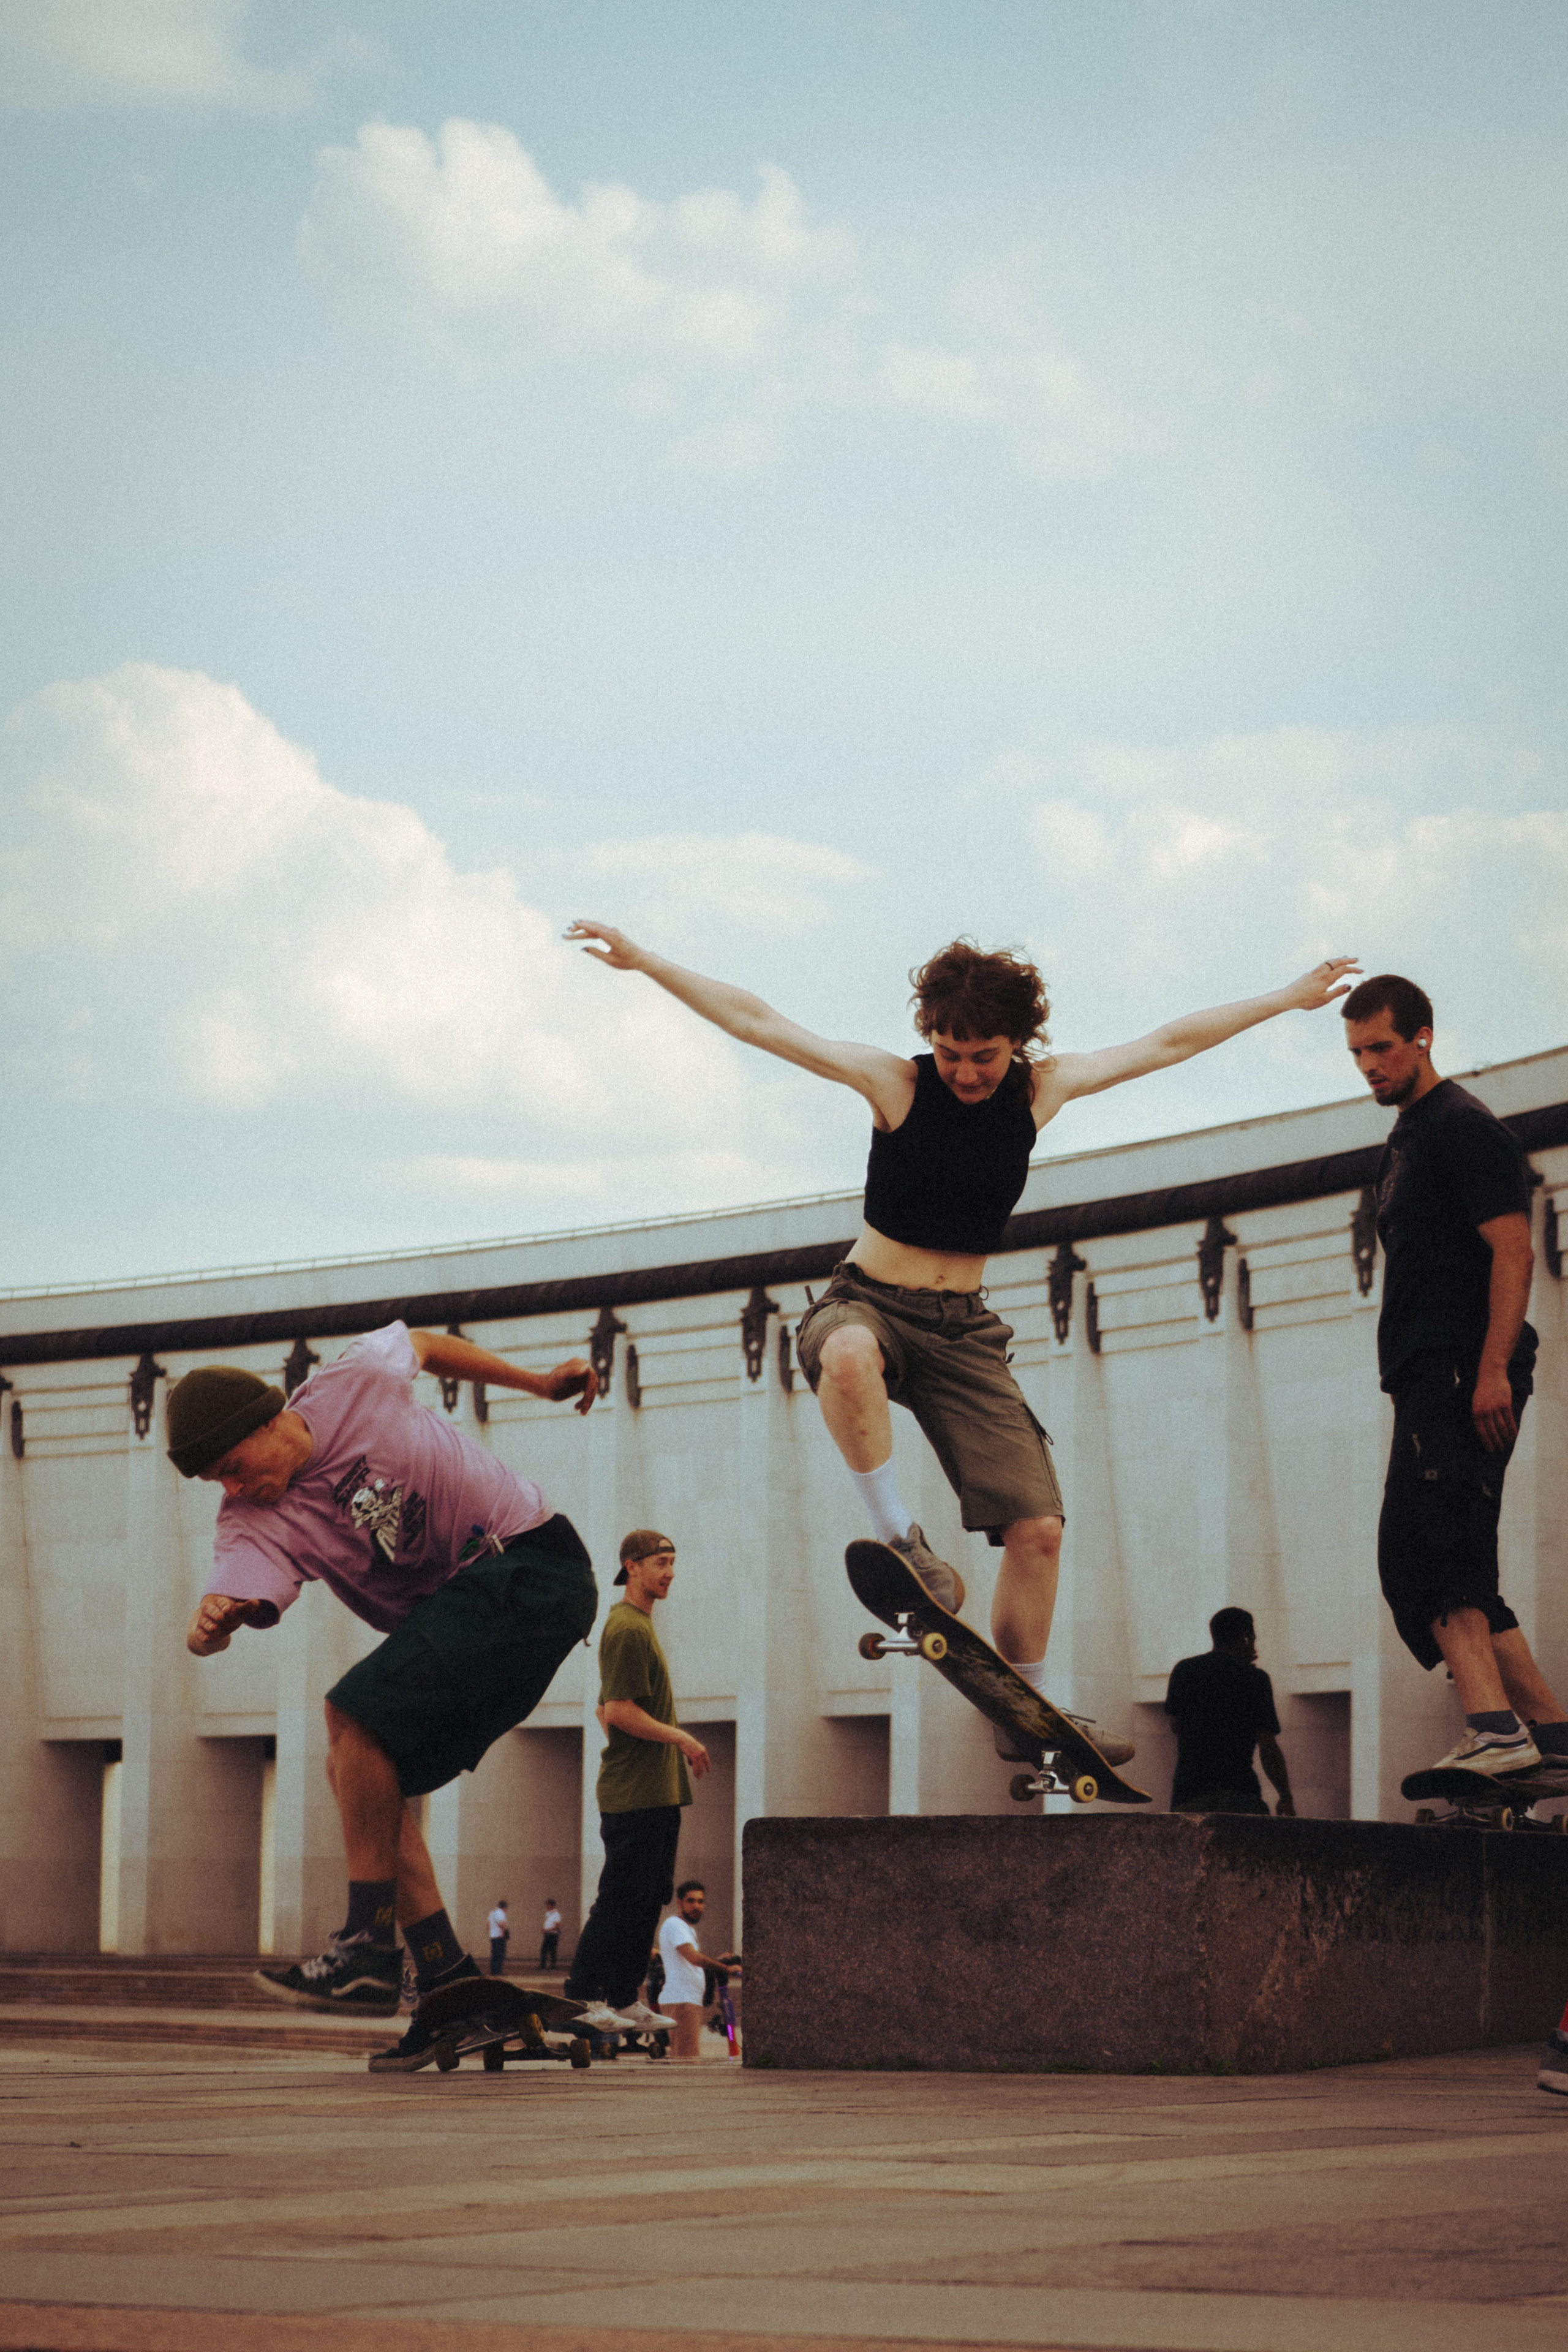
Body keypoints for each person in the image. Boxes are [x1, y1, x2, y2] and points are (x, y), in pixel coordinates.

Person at [568, 918, 1359, 1756]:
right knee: (844, 1353)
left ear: (1017, 1044)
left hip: (965, 1334)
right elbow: (761, 1024)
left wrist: (1291, 997)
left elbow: (1167, 1042)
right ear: (931, 1039)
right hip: (867, 1302)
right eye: (951, 1053)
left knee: (1040, 1528)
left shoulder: (1039, 1090)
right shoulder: (895, 1085)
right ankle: (903, 1538)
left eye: (984, 1056)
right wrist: (648, 960)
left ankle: (1029, 1711)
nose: (967, 1072)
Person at [174, 1320, 598, 2068]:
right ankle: (449, 1978)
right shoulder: (249, 1522)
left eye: (237, 1466)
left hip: (530, 1564)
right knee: (358, 1773)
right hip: (479, 1622)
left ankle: (366, 1944)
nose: (236, 1489)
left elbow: (429, 1343)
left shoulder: (353, 1378)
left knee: (351, 1712)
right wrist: (215, 1625)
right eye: (219, 1482)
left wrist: (536, 1383)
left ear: (274, 1421)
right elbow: (217, 1618)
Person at [1343, 975, 1568, 1779]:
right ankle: (1549, 1733)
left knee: (1422, 1555)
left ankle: (1495, 1731)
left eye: (1382, 1048)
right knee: (1460, 1560)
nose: (1369, 1065)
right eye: (1358, 1052)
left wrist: (1492, 1370)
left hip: (1459, 1373)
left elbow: (1514, 1249)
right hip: (1429, 1375)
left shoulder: (1460, 1129)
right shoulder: (1409, 1135)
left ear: (1423, 1037)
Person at [564, 1531, 712, 2038]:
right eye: (661, 1562)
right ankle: (583, 1994)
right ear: (632, 1566)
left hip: (658, 1792)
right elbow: (622, 1711)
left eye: (674, 1562)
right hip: (635, 1796)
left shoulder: (640, 1626)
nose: (670, 1572)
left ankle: (625, 1997)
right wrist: (682, 1740)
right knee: (620, 1898)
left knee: (649, 1897)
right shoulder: (627, 1628)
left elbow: (605, 1708)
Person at [1165, 1609, 1295, 1817]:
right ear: (1247, 1637)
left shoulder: (1184, 1670)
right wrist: (1285, 1797)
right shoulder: (1256, 1679)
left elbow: (1175, 1725)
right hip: (1240, 1793)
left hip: (1189, 1793)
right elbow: (1268, 1747)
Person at [657, 1880, 740, 2062]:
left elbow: (690, 1962)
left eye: (700, 1902)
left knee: (687, 2058)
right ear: (680, 1902)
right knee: (686, 2060)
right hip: (682, 2002)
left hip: (688, 2001)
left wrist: (718, 1961)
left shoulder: (686, 1929)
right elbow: (693, 1957)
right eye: (691, 1901)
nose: (696, 1906)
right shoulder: (675, 1925)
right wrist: (726, 1968)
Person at [486, 1900, 510, 1978]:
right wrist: (503, 1934)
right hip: (499, 1936)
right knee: (500, 1954)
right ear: (504, 1907)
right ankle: (498, 1971)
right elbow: (502, 1924)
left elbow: (487, 1923)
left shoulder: (492, 1913)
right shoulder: (501, 1913)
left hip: (493, 1936)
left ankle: (493, 1971)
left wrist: (489, 1933)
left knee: (494, 1954)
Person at [540, 1897, 562, 1970]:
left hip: (553, 1934)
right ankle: (543, 1965)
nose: (547, 1907)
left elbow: (557, 1926)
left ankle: (552, 1966)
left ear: (552, 1905)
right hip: (548, 1934)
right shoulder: (548, 1914)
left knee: (552, 1950)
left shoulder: (556, 1915)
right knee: (544, 1950)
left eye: (548, 1905)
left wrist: (547, 1930)